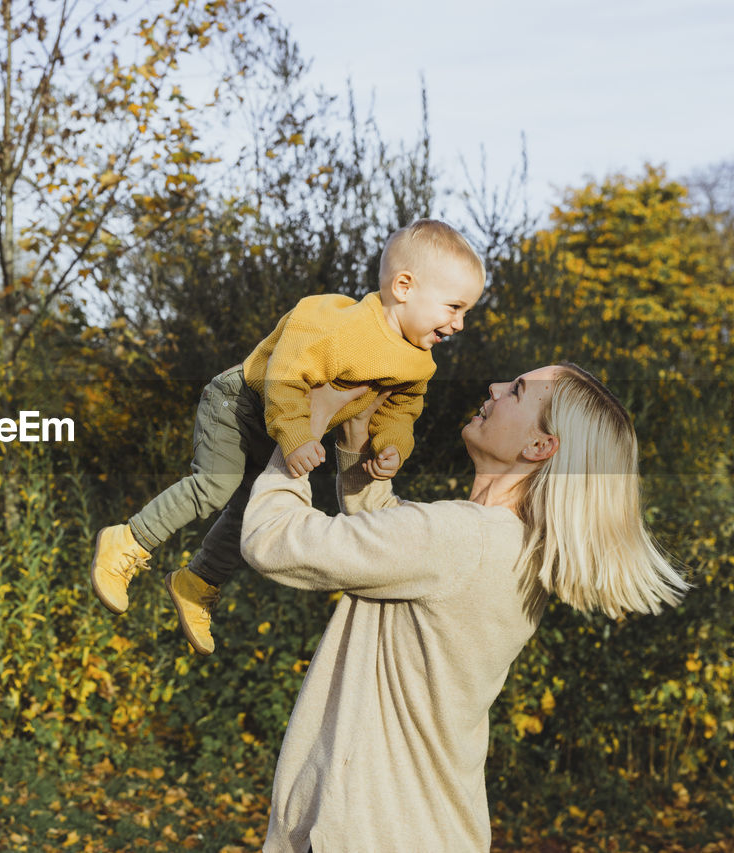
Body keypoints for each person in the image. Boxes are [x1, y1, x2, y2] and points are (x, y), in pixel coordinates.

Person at [240, 364, 689, 852]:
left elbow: (271, 540)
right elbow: (392, 548)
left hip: (370, 833)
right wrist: (356, 438)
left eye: (517, 391)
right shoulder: (510, 546)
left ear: (540, 447)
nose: (494, 388)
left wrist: (299, 434)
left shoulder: (463, 537)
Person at [91, 218, 487, 655]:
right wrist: (298, 435)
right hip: (241, 405)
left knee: (250, 512)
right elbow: (284, 375)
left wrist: (392, 447)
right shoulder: (339, 326)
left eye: (466, 312)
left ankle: (197, 582)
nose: (460, 324)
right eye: (454, 307)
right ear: (404, 286)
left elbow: (401, 411)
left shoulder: (417, 363)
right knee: (216, 486)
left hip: (279, 432)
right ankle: (128, 539)